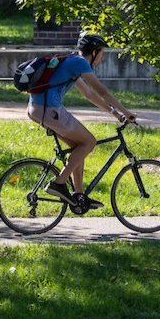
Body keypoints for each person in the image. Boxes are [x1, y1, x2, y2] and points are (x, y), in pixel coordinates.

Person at [27, 33, 137, 211]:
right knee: (89, 141)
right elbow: (102, 91)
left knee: (80, 147)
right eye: (101, 53)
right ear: (94, 52)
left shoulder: (72, 62)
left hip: (38, 109)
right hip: (49, 110)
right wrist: (127, 113)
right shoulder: (80, 63)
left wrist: (115, 113)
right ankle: (59, 182)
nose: (102, 57)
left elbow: (89, 94)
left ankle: (79, 197)